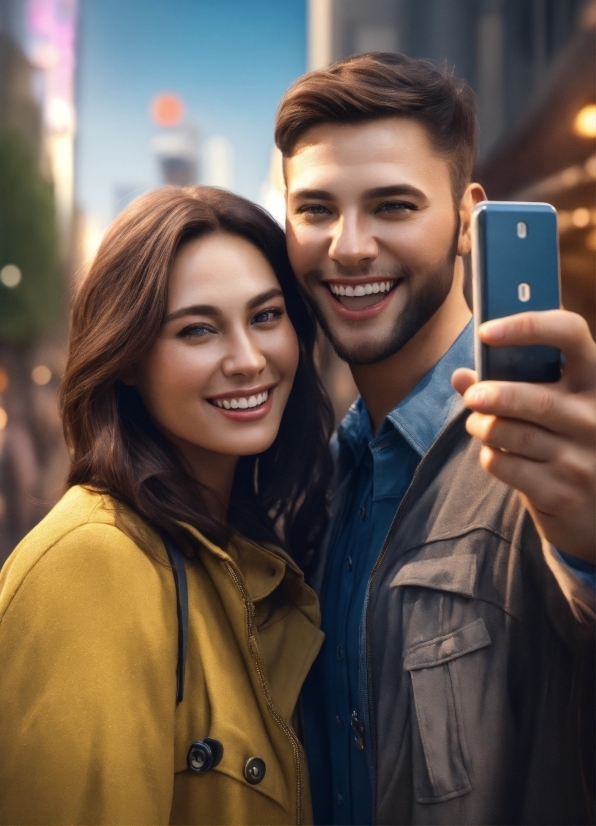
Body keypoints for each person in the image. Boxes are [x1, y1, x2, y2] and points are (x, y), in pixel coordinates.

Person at [275, 53, 595, 825]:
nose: (349, 247)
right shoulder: (315, 478)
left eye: (393, 206)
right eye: (316, 210)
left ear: (466, 219)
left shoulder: (546, 455)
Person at [0, 186, 334, 825]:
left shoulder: (235, 553)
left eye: (265, 316)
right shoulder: (93, 566)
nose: (248, 359)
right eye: (198, 330)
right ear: (127, 359)